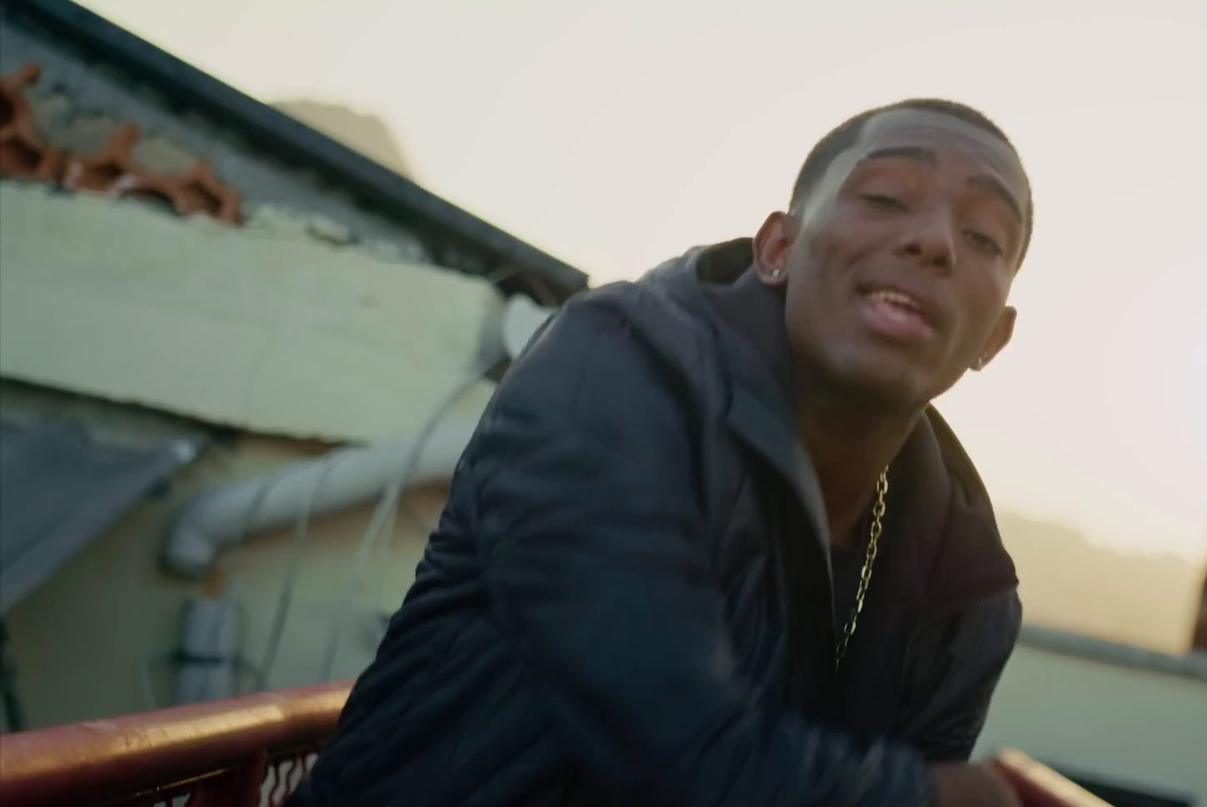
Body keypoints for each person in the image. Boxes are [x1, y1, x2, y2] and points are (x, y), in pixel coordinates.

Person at [290, 98, 1032, 806]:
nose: (934, 241)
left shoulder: (966, 590)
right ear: (778, 249)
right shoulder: (611, 374)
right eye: (886, 198)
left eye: (984, 237)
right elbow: (678, 755)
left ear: (991, 341)